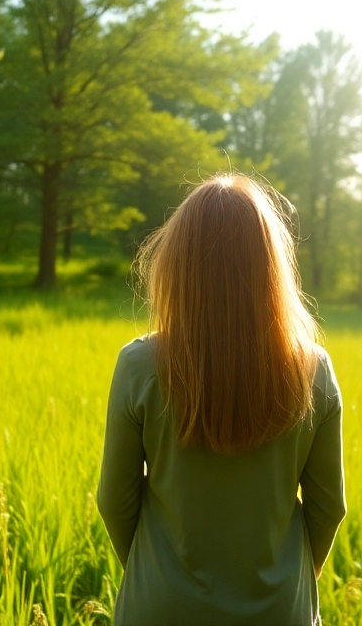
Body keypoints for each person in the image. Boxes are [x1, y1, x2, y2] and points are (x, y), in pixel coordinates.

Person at [97, 173, 347, 626]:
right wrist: (290, 580)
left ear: (176, 265)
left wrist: (157, 576)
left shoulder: (139, 365)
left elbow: (115, 500)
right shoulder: (313, 369)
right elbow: (329, 507)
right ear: (271, 269)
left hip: (159, 611)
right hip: (278, 613)